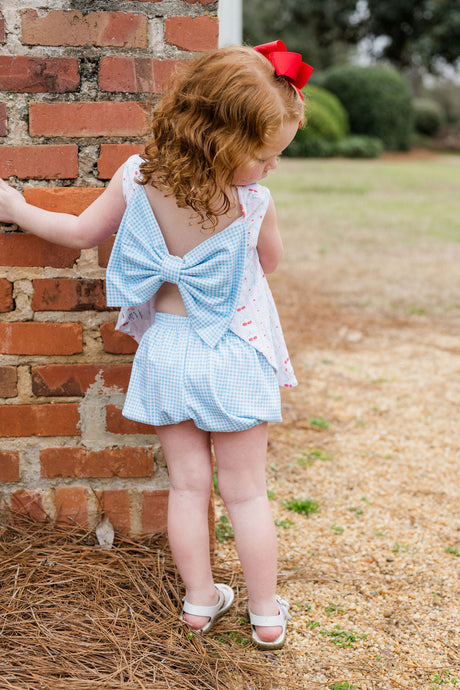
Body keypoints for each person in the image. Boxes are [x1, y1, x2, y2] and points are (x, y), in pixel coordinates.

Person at [0, 41, 313, 650]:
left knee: (188, 487)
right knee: (246, 492)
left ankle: (200, 601)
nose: (271, 169)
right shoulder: (253, 203)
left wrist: (14, 205)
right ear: (225, 143)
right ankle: (266, 614)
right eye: (266, 156)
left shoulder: (137, 177)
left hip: (167, 350)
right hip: (234, 351)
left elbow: (79, 231)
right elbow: (268, 264)